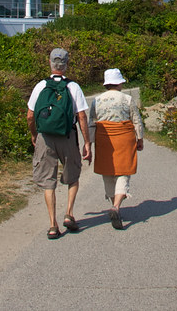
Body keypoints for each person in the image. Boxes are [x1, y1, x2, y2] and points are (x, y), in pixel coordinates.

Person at [26, 48, 92, 239]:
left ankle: (53, 225)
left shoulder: (40, 86)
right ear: (66, 64)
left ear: (50, 63)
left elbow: (30, 115)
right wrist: (87, 142)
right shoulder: (73, 87)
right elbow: (81, 116)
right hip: (67, 136)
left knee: (48, 181)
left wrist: (34, 134)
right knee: (73, 175)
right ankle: (69, 213)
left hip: (45, 137)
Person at [88, 68, 144, 230]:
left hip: (104, 139)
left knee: (108, 172)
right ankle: (116, 207)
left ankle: (114, 204)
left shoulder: (97, 101)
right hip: (124, 139)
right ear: (119, 83)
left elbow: (93, 122)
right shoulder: (126, 99)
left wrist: (90, 143)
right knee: (123, 172)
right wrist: (139, 139)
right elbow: (136, 120)